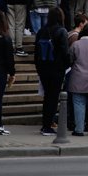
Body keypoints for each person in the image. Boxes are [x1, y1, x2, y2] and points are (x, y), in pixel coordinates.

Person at [34, 7, 71, 136]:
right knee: (53, 97)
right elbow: (65, 52)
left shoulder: (41, 31)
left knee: (47, 96)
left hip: (43, 67)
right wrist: (67, 65)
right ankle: (48, 125)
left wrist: (38, 67)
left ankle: (45, 124)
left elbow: (36, 51)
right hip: (57, 68)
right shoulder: (61, 31)